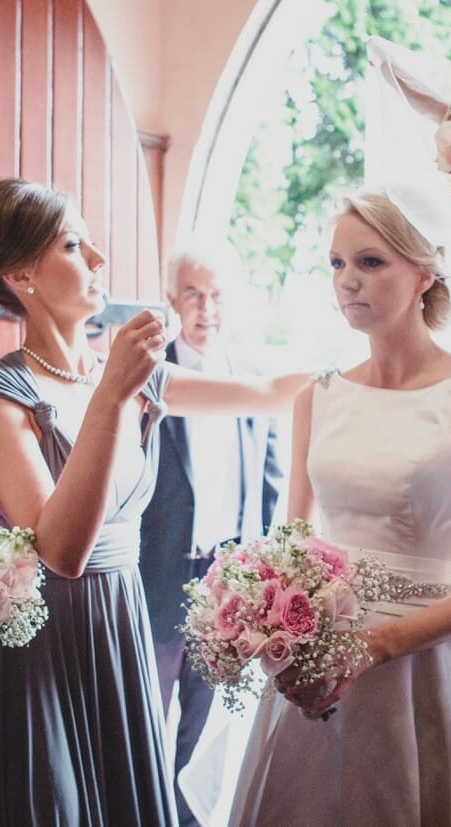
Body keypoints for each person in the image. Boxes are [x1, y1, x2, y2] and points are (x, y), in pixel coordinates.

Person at [0, 178, 305, 826]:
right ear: (22, 273)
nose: (100, 262)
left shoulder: (142, 379)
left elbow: (269, 391)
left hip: (121, 627)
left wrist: (375, 361)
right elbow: (60, 549)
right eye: (75, 245)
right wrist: (109, 395)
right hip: (45, 647)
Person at [225, 190, 451, 825]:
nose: (348, 281)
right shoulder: (315, 398)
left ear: (424, 272)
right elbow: (288, 556)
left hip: (433, 665)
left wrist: (380, 644)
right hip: (318, 667)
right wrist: (259, 625)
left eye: (371, 262)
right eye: (337, 264)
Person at [139, 245, 284, 826]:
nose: (207, 307)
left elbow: (272, 488)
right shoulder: (146, 374)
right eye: (194, 293)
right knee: (146, 724)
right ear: (172, 300)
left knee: (203, 738)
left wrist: (267, 578)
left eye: (217, 294)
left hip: (228, 583)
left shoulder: (254, 380)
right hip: (157, 575)